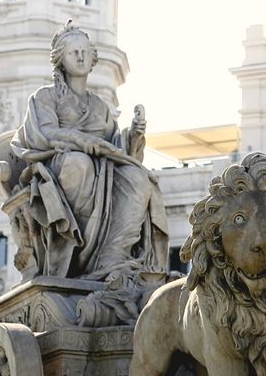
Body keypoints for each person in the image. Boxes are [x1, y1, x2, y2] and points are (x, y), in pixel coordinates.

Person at [11, 22, 168, 280]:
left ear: (93, 56)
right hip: (59, 168)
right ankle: (75, 252)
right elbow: (44, 134)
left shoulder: (100, 106)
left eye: (85, 51)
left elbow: (118, 149)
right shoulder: (44, 98)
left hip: (104, 169)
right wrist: (80, 140)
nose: (81, 56)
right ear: (61, 59)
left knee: (138, 178)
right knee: (79, 163)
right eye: (74, 52)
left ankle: (112, 256)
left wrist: (135, 134)